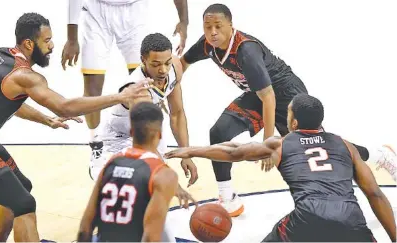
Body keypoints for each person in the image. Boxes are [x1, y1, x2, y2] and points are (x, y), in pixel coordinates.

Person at [0, 13, 151, 243]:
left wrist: (45, 119)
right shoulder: (25, 76)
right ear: (29, 44)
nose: (52, 46)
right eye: (47, 40)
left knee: (22, 187)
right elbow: (65, 107)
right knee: (23, 203)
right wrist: (120, 96)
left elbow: (6, 101)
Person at [179, 3, 396, 216]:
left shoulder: (246, 51)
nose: (213, 32)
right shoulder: (207, 44)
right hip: (259, 94)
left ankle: (379, 155)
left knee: (320, 148)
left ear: (231, 25)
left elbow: (270, 97)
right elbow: (182, 63)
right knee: (219, 132)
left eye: (218, 26)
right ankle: (228, 199)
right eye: (208, 27)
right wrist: (167, 83)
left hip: (287, 95)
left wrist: (266, 144)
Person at [165, 94, 396, 242]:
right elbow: (374, 194)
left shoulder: (281, 144)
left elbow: (233, 152)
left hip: (308, 217)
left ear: (293, 123)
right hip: (350, 218)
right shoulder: (345, 145)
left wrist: (191, 150)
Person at [61, 0, 189, 162]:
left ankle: (143, 142)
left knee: (148, 81)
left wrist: (184, 20)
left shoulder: (174, 67)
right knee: (93, 88)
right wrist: (72, 38)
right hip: (96, 9)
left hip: (134, 9)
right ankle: (96, 143)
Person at [89, 32, 198, 186]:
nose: (163, 70)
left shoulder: (175, 67)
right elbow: (145, 143)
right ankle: (101, 157)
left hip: (147, 126)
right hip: (118, 136)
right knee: (136, 184)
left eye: (166, 63)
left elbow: (177, 114)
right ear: (143, 60)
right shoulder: (138, 90)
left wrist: (186, 153)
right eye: (155, 64)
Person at [77, 102, 182, 242]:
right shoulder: (162, 173)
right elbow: (150, 238)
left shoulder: (110, 164)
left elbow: (85, 227)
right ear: (160, 135)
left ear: (131, 133)